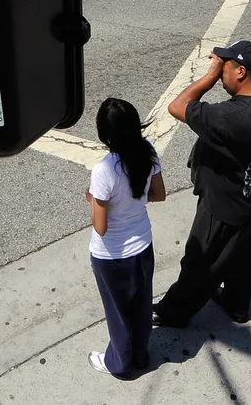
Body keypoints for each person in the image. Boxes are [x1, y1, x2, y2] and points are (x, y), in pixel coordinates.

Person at [153, 40, 251, 327]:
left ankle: (173, 313)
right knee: (243, 258)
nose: (219, 69)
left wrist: (209, 77)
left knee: (198, 263)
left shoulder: (230, 117)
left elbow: (177, 106)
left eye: (224, 65)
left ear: (240, 71)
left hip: (223, 207)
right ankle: (237, 305)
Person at [86, 98, 167, 377]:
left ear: (105, 135)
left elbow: (100, 226)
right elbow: (158, 194)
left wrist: (92, 200)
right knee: (141, 307)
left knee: (118, 314)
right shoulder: (148, 152)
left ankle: (118, 363)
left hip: (111, 257)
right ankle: (141, 356)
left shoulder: (104, 170)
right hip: (143, 244)